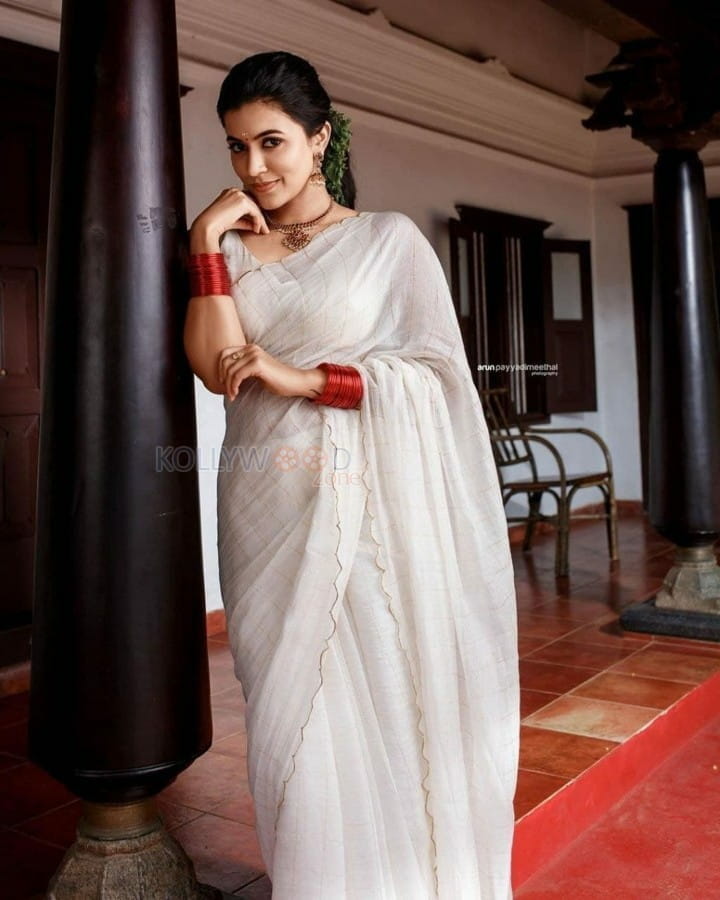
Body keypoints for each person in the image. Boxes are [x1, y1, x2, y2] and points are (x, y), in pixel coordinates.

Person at [183, 50, 520, 900]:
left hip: (368, 513)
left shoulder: (386, 241)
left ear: (320, 138)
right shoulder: (232, 251)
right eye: (236, 147)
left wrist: (307, 378)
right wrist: (204, 244)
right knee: (286, 719)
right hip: (265, 502)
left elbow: (439, 377)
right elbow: (218, 366)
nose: (254, 168)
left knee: (379, 699)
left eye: (271, 142)